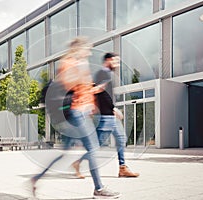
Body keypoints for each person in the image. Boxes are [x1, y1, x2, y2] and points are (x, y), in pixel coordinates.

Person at [31, 38, 121, 199]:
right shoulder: (69, 63)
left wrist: (92, 104)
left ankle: (36, 179)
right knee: (93, 148)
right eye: (88, 49)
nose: (90, 52)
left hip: (81, 111)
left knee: (65, 153)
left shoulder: (78, 62)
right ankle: (99, 189)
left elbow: (84, 89)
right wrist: (81, 71)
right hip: (76, 112)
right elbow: (68, 84)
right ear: (79, 48)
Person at [72, 52, 140, 178]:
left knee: (121, 139)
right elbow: (100, 92)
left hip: (110, 116)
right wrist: (113, 108)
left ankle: (122, 167)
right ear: (108, 60)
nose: (117, 64)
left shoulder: (107, 74)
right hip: (105, 116)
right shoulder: (103, 73)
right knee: (96, 146)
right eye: (115, 61)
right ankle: (78, 163)